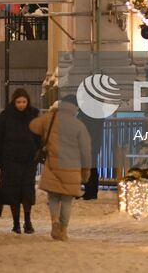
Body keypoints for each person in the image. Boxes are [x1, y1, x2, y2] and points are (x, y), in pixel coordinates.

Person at [29, 94, 92, 241]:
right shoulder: (79, 125)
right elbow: (86, 150)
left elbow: (33, 126)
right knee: (67, 200)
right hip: (72, 167)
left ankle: (54, 221)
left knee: (53, 197)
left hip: (53, 164)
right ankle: (63, 230)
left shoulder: (50, 119)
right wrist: (86, 170)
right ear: (75, 108)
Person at [0, 87, 42, 233]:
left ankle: (27, 221)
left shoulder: (34, 115)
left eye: (23, 101)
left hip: (28, 161)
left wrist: (36, 153)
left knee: (26, 191)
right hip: (10, 161)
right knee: (13, 192)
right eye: (18, 102)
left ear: (28, 101)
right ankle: (16, 224)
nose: (21, 104)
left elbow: (39, 137)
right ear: (14, 102)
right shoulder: (6, 116)